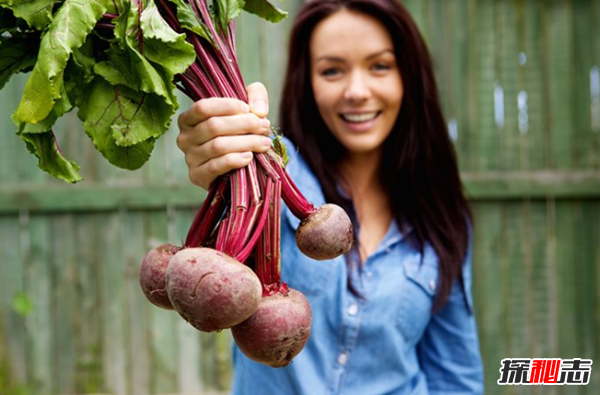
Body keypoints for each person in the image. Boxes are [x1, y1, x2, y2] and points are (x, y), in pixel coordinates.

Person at [176, 0, 484, 393]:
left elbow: (455, 377)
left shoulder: (441, 216)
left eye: (379, 66)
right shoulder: (269, 171)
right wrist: (221, 147)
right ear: (308, 83)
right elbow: (231, 157)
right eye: (332, 70)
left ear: (409, 75)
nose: (357, 91)